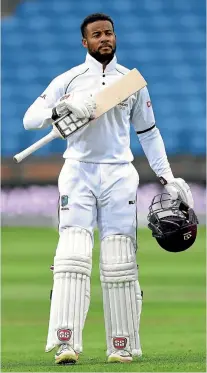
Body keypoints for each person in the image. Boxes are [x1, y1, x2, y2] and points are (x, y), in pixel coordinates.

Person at [23, 13, 193, 365]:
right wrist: (61, 107)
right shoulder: (68, 79)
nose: (105, 39)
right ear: (84, 42)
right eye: (97, 35)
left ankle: (121, 345)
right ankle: (65, 342)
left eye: (109, 33)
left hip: (119, 173)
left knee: (119, 260)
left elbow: (149, 133)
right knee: (72, 256)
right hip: (78, 171)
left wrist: (167, 177)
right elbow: (30, 120)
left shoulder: (130, 82)